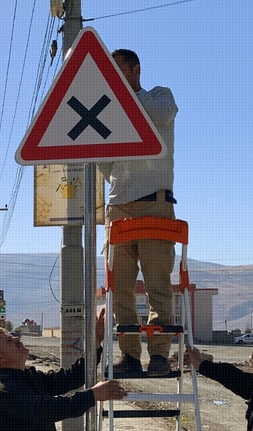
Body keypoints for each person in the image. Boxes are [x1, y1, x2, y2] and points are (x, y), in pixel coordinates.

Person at [97, 48, 178, 379]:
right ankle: (129, 355)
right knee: (119, 286)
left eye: (118, 71)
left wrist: (116, 101)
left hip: (154, 203)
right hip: (117, 208)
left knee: (158, 284)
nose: (114, 79)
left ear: (135, 69)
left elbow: (161, 112)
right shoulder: (109, 113)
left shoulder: (160, 97)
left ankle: (159, 356)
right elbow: (103, 159)